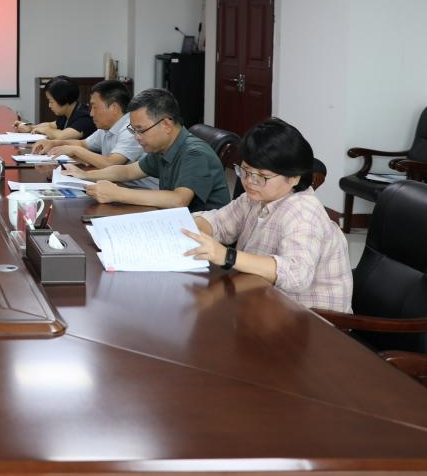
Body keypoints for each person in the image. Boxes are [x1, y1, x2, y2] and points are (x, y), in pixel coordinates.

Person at [181, 118, 352, 313]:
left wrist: (227, 256)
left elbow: (297, 275)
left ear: (294, 177)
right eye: (245, 170)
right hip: (264, 303)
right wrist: (192, 227)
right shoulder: (255, 197)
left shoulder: (303, 212)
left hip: (311, 319)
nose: (249, 181)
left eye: (261, 176)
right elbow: (220, 222)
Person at [63, 88, 229, 211]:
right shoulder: (163, 148)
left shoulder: (195, 153)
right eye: (133, 130)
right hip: (174, 221)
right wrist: (85, 176)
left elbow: (179, 199)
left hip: (203, 235)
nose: (137, 137)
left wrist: (117, 193)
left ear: (166, 125)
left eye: (141, 130)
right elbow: (127, 172)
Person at [31, 80, 158, 189]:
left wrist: (75, 150)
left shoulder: (131, 129)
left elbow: (111, 163)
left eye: (95, 107)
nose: (91, 113)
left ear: (114, 107)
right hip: (119, 185)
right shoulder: (106, 127)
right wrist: (53, 143)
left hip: (143, 192)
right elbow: (83, 143)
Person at [13, 77, 95, 139]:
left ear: (63, 99)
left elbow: (62, 136)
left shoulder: (84, 118)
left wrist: (45, 130)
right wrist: (30, 127)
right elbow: (51, 125)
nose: (49, 105)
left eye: (51, 101)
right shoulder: (66, 114)